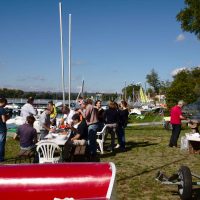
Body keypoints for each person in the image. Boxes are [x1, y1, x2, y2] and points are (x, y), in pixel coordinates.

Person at [0, 97, 9, 162]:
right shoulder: (2, 109)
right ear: (3, 102)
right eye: (5, 103)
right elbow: (3, 120)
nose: (6, 105)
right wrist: (8, 117)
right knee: (1, 143)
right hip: (2, 128)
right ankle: (1, 158)